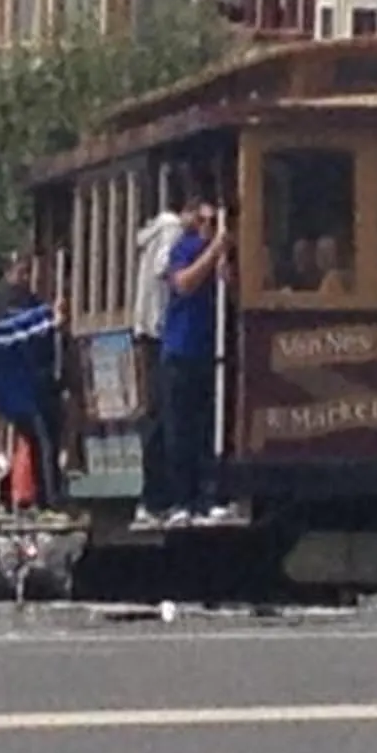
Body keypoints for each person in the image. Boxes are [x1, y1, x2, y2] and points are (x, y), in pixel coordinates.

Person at [151, 192, 235, 526]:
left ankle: (206, 498)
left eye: (214, 224)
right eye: (205, 222)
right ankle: (181, 500)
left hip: (209, 351)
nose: (209, 228)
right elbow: (183, 283)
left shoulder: (221, 255)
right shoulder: (183, 248)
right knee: (179, 429)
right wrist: (213, 253)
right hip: (180, 349)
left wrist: (226, 270)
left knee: (205, 427)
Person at [0, 269, 66, 512]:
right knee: (44, 445)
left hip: (11, 402)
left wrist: (45, 313)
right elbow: (17, 333)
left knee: (37, 445)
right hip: (23, 400)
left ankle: (44, 499)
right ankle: (49, 501)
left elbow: (11, 326)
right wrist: (50, 319)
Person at [130, 188, 190, 529]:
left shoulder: (159, 228)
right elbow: (165, 268)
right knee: (164, 416)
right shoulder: (172, 230)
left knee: (156, 414)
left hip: (149, 329)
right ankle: (159, 496)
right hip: (160, 332)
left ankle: (154, 499)